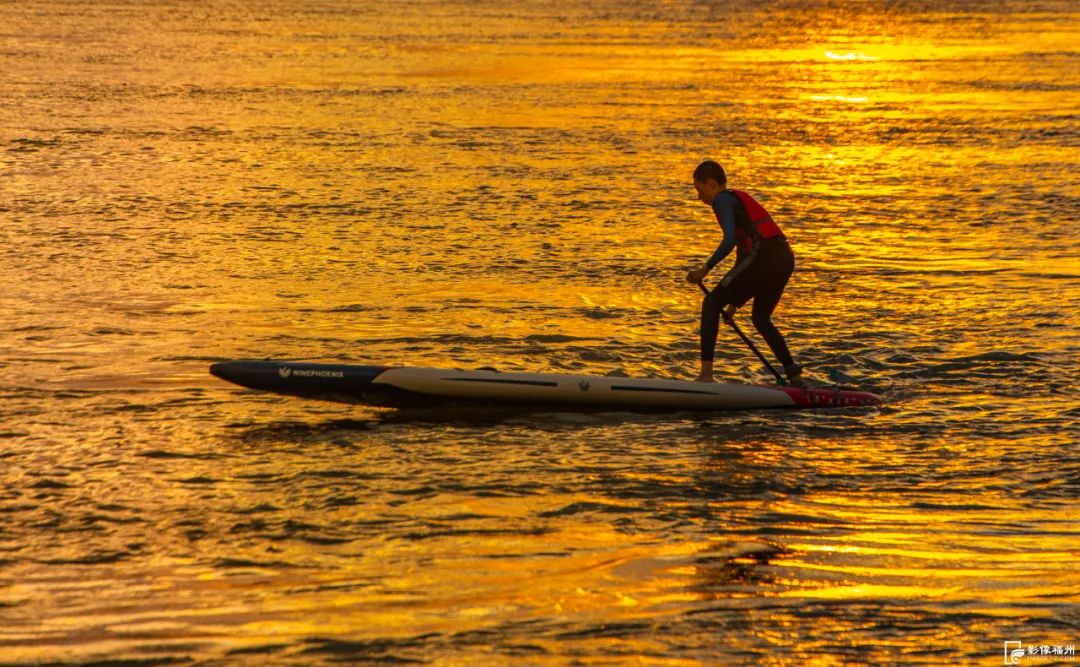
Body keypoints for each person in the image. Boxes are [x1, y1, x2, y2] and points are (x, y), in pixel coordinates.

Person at [684, 160, 805, 387]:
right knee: (760, 318)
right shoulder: (736, 199)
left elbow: (730, 241)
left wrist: (705, 269)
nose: (699, 197)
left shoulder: (722, 200)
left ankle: (706, 376)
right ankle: (794, 375)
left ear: (710, 184)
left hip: (765, 257)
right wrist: (734, 304)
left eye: (698, 189)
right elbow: (744, 253)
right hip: (784, 257)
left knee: (710, 303)